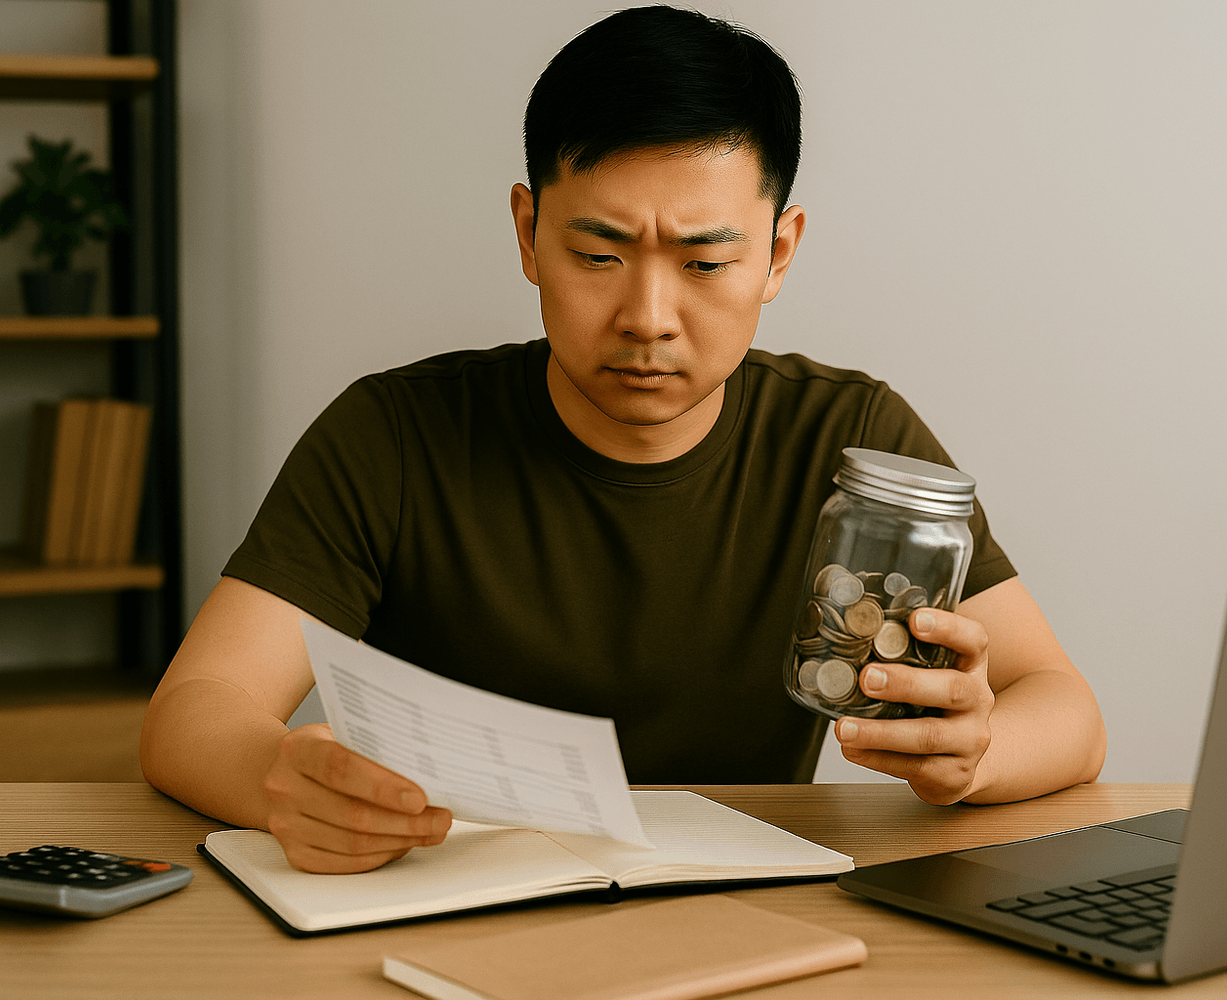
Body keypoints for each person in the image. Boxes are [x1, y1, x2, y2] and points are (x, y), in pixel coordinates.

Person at [141, 5, 1105, 875]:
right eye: (597, 255)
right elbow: (196, 709)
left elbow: (1063, 706)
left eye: (705, 261)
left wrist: (977, 750)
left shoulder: (851, 441)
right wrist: (283, 776)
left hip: (758, 918)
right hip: (455, 904)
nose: (649, 316)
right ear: (527, 233)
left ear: (778, 253)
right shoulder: (392, 436)